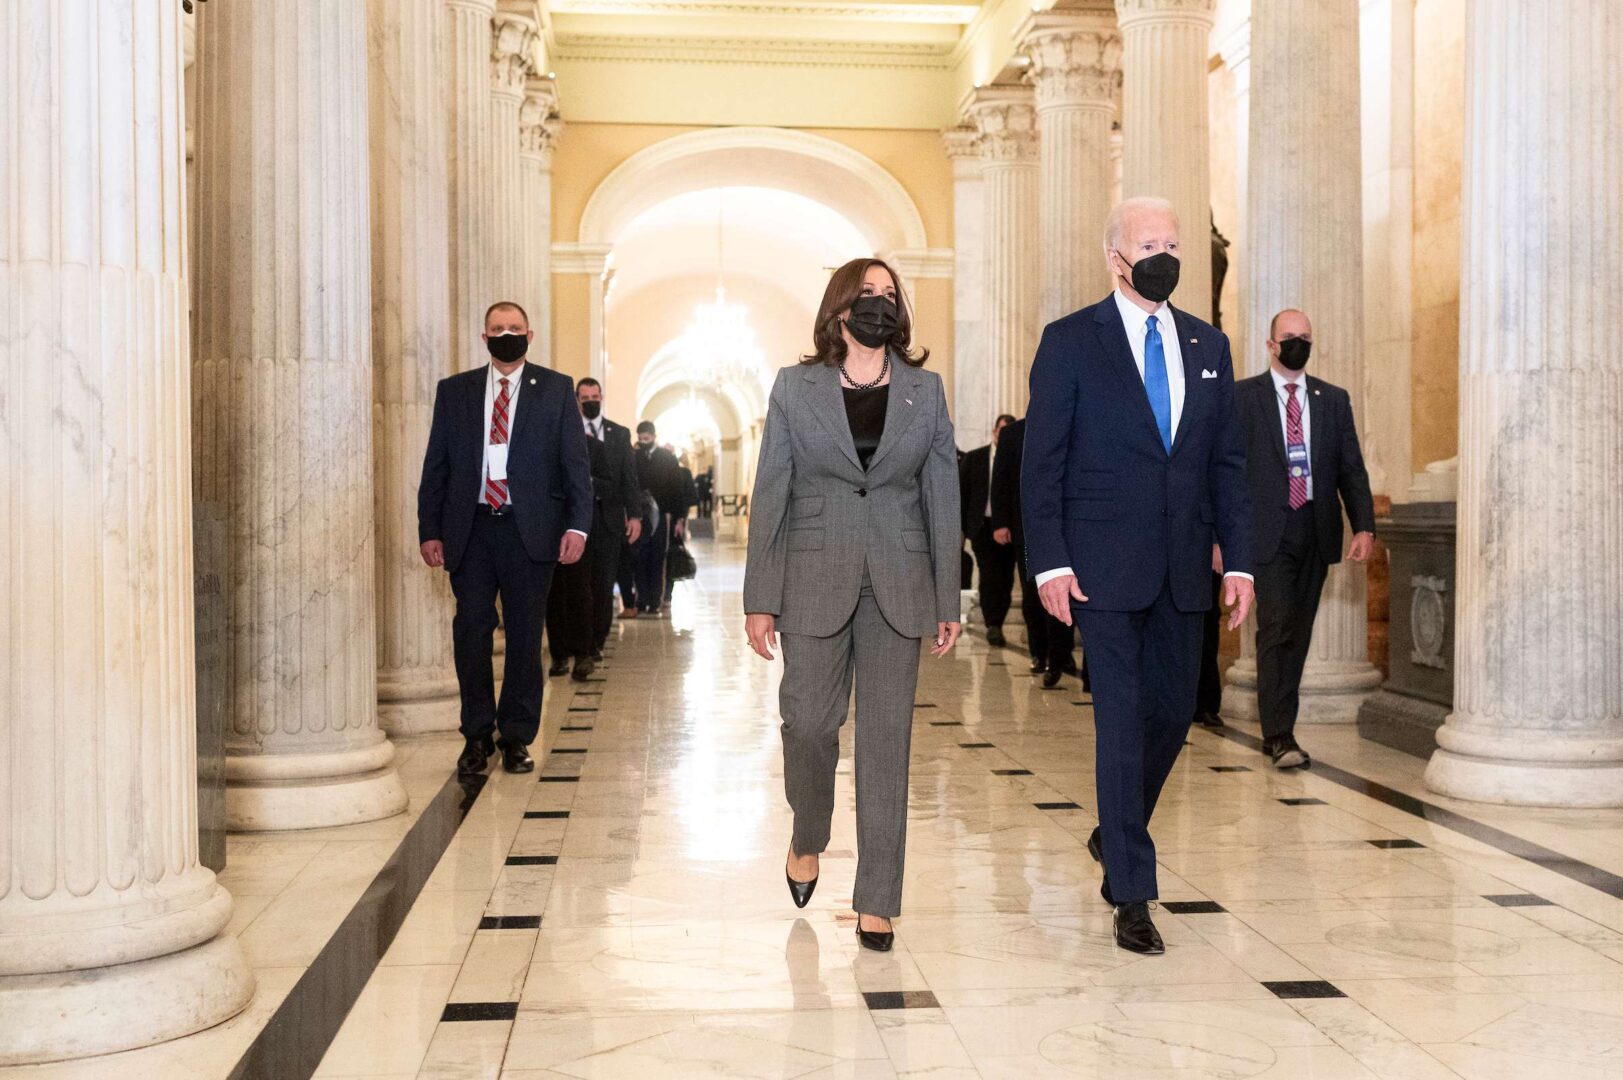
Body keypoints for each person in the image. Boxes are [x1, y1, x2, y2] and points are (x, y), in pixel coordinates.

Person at [1023, 197, 1255, 955]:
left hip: (1184, 565)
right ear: (1113, 256)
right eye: (1148, 242)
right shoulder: (1069, 342)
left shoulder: (1208, 343)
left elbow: (1225, 464)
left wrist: (1240, 557)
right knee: (1119, 725)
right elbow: (1042, 462)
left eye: (1173, 242)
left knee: (1171, 716)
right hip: (1100, 569)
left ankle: (1112, 832)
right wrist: (1050, 560)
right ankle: (1131, 890)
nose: (1164, 254)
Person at [744, 257, 960, 953]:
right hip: (811, 576)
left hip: (899, 580)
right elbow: (772, 488)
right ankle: (809, 831)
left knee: (886, 743)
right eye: (866, 294)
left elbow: (941, 492)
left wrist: (946, 594)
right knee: (807, 723)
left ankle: (877, 899)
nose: (878, 304)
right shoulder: (794, 387)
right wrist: (759, 597)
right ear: (839, 307)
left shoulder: (923, 391)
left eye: (889, 295)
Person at [419, 301, 592, 776]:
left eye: (514, 328)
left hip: (529, 531)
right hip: (470, 530)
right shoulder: (455, 392)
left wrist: (577, 525)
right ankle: (476, 735)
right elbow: (436, 466)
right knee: (471, 632)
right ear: (484, 337)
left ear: (530, 335)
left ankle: (516, 736)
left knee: (522, 637)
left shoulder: (555, 389)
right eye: (498, 329)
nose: (506, 335)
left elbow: (575, 464)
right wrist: (429, 529)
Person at [1236, 309, 1376, 769]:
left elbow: (1351, 467)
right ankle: (1279, 734)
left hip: (1315, 530)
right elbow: (1228, 474)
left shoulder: (1333, 400)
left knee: (1299, 631)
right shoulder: (1244, 398)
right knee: (1275, 628)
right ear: (1271, 345)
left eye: (1305, 338)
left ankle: (1280, 725)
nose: (1298, 344)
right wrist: (1221, 537)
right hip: (1266, 533)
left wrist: (1365, 525)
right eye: (1289, 337)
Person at [546, 378, 642, 681]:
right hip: (566, 522)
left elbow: (625, 479)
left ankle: (591, 645)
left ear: (601, 397)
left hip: (606, 521)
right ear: (576, 400)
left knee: (600, 587)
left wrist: (634, 514)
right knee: (562, 591)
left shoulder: (614, 436)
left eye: (594, 396)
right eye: (584, 397)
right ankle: (564, 652)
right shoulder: (559, 433)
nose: (590, 401)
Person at [990, 416, 1079, 687]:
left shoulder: (1069, 425)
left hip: (1065, 530)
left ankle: (1060, 656)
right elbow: (1002, 480)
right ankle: (1039, 653)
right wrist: (1001, 523)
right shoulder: (1013, 434)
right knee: (1032, 596)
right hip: (1025, 533)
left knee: (1065, 592)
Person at [960, 415, 1017, 647]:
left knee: (1005, 577)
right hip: (982, 527)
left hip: (1010, 530)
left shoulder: (1017, 459)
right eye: (1001, 431)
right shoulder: (975, 458)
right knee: (988, 573)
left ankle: (998, 621)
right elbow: (963, 496)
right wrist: (962, 531)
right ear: (994, 431)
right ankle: (992, 624)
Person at [631, 422, 682, 615]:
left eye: (647, 438)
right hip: (640, 515)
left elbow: (676, 489)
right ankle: (641, 598)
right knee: (639, 557)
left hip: (662, 514)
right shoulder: (634, 458)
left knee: (657, 557)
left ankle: (655, 600)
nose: (644, 442)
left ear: (654, 437)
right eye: (641, 438)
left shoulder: (667, 458)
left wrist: (679, 518)